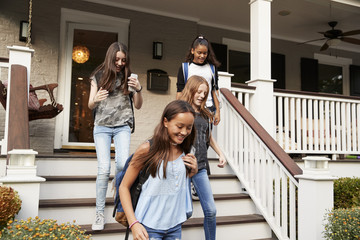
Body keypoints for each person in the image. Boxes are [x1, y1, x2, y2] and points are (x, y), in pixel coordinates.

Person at [119, 100, 198, 240]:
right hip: (148, 227)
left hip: (175, 226)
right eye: (180, 126)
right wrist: (134, 224)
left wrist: (192, 172)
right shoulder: (147, 149)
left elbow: (175, 184)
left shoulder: (186, 150)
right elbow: (124, 187)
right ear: (165, 122)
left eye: (189, 127)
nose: (184, 132)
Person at [88, 42, 143, 231]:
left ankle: (118, 189)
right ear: (110, 58)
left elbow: (138, 105)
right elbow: (89, 105)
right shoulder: (98, 76)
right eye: (117, 59)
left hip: (122, 126)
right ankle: (99, 213)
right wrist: (95, 99)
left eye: (123, 60)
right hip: (102, 127)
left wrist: (139, 89)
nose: (120, 63)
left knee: (121, 165)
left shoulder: (129, 77)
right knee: (103, 169)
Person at [180, 75, 227, 240]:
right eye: (198, 91)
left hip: (200, 166)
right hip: (181, 167)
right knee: (185, 211)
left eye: (204, 93)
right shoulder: (182, 111)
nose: (201, 95)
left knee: (211, 211)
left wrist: (220, 154)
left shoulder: (207, 114)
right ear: (191, 90)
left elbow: (208, 138)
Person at [176, 35, 221, 126]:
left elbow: (214, 91)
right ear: (192, 51)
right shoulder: (185, 68)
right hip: (189, 109)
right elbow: (180, 92)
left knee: (205, 136)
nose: (202, 56)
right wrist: (179, 110)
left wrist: (218, 112)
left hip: (208, 109)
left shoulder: (211, 68)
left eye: (205, 53)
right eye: (199, 52)